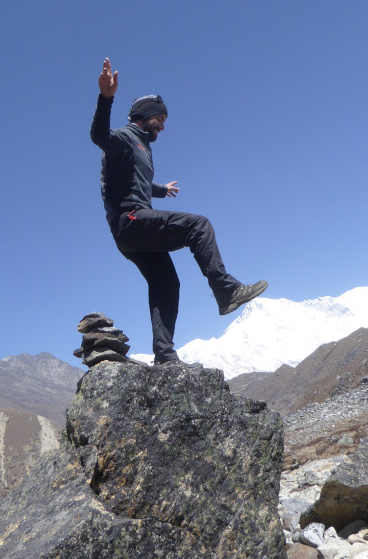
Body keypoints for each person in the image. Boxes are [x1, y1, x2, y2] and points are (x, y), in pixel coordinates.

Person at [90, 58, 267, 365]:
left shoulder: (142, 146)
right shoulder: (123, 137)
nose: (163, 123)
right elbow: (99, 137)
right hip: (130, 221)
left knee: (166, 283)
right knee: (198, 226)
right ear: (145, 116)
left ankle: (164, 355)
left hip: (131, 231)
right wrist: (105, 99)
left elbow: (136, 181)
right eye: (160, 117)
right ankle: (226, 291)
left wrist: (161, 189)